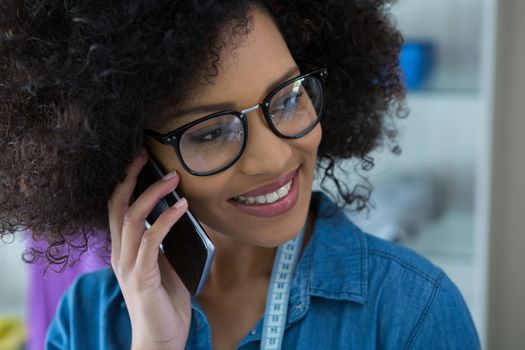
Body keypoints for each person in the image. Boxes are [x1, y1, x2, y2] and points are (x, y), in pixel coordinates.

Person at [0, 0, 480, 349]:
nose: (273, 160)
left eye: (289, 98)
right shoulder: (89, 321)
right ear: (131, 158)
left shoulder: (411, 310)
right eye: (211, 132)